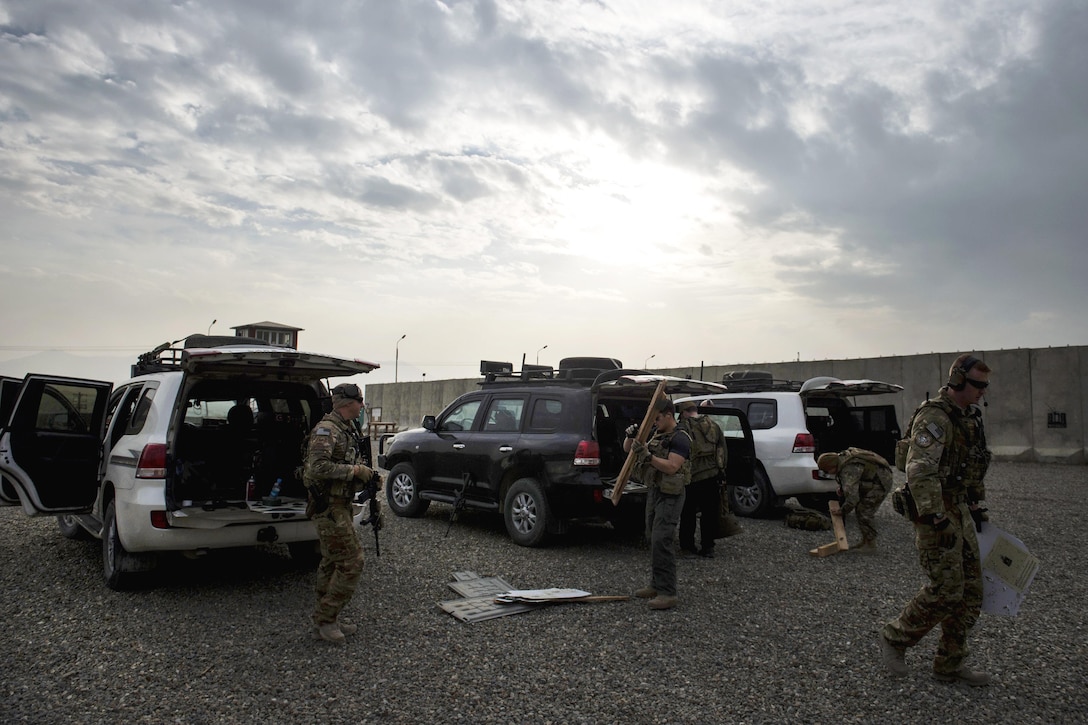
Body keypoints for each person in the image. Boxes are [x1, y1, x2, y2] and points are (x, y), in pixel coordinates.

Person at [878, 354, 993, 686]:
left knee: (971, 591)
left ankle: (949, 663)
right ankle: (895, 638)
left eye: (985, 385)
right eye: (977, 384)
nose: (982, 391)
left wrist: (975, 505)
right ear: (958, 379)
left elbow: (971, 466)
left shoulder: (969, 417)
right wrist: (935, 517)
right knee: (945, 590)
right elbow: (920, 470)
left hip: (959, 508)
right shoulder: (935, 417)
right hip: (936, 513)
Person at [304, 382, 379, 644]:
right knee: (352, 561)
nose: (362, 405)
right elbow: (318, 468)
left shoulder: (346, 430)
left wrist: (366, 477)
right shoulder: (327, 430)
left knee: (332, 561)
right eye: (359, 400)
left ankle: (324, 621)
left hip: (341, 504)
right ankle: (326, 619)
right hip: (329, 507)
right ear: (347, 402)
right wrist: (355, 472)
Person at [624, 398, 691, 610]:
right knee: (652, 536)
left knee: (662, 538)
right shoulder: (657, 435)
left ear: (669, 415)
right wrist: (630, 437)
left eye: (658, 418)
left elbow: (672, 466)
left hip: (671, 494)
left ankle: (668, 592)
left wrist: (648, 456)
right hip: (655, 490)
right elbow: (629, 450)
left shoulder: (680, 438)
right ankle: (656, 584)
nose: (655, 422)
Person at [816, 447, 892, 551]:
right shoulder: (841, 460)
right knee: (861, 508)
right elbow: (851, 483)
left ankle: (870, 543)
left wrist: (842, 511)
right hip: (873, 478)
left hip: (881, 482)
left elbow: (852, 498)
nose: (829, 473)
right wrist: (843, 488)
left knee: (864, 511)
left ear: (832, 466)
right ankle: (865, 541)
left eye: (827, 470)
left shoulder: (848, 469)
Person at [677, 401, 728, 558]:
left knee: (688, 514)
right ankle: (708, 547)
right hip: (711, 476)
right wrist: (721, 471)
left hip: (691, 477)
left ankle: (687, 547)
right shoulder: (714, 426)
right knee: (709, 513)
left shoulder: (683, 427)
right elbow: (723, 450)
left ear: (684, 412)